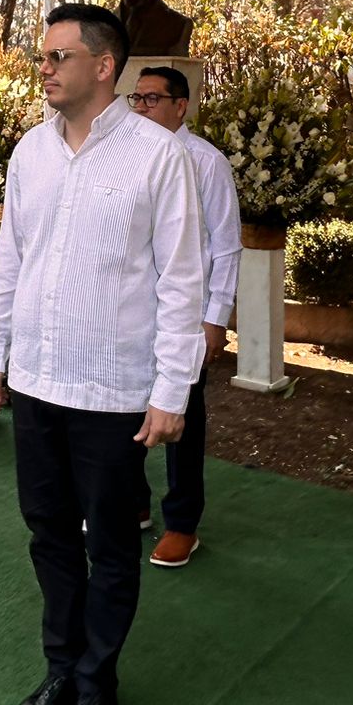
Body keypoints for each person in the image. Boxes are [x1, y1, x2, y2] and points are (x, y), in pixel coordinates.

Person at [0, 3, 207, 705]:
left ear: (103, 66)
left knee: (109, 541)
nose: (42, 68)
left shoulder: (158, 154)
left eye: (56, 57)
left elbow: (182, 280)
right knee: (48, 531)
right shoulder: (29, 153)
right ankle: (60, 673)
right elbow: (11, 257)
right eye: (40, 57)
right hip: (37, 380)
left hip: (112, 390)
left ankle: (95, 683)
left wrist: (172, 390)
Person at [126, 66, 241, 569]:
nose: (143, 108)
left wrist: (215, 318)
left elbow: (226, 244)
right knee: (124, 408)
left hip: (185, 316)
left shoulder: (205, 162)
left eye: (153, 99)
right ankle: (134, 504)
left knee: (183, 419)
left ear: (181, 106)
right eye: (137, 98)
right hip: (131, 312)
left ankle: (182, 524)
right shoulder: (126, 156)